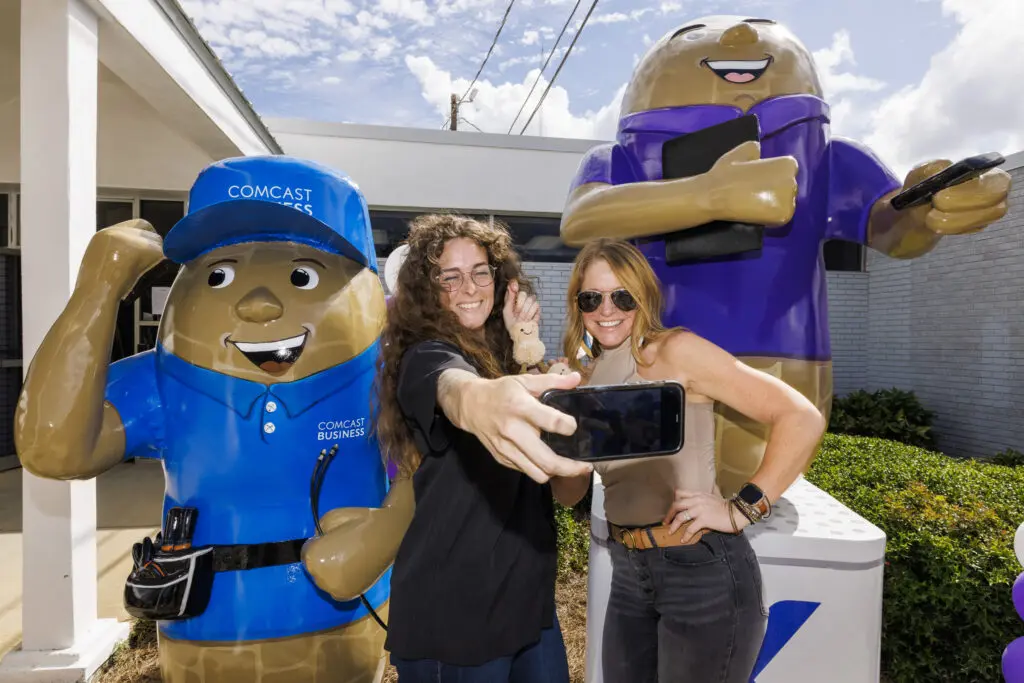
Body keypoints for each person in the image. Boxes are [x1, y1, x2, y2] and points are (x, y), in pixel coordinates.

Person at [555, 238, 827, 683]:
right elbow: (571, 494)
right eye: (591, 298)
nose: (607, 310)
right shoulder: (586, 375)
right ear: (577, 305)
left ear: (643, 297)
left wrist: (741, 510)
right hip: (628, 570)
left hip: (700, 569)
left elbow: (801, 417)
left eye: (622, 296)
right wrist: (557, 433)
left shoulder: (676, 351)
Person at [372, 213, 591, 682]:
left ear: (499, 279)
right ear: (427, 289)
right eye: (449, 277)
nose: (468, 288)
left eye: (479, 272)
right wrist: (479, 401)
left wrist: (524, 344)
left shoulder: (504, 362)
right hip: (455, 619)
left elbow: (565, 492)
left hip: (529, 607)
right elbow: (456, 389)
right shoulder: (424, 356)